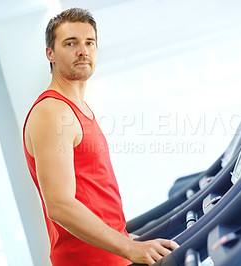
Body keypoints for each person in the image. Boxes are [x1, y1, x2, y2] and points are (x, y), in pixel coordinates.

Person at [23, 7, 179, 265]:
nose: (83, 50)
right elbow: (60, 204)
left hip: (110, 256)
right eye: (71, 43)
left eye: (89, 42)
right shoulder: (52, 112)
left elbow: (93, 192)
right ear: (50, 53)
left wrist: (125, 240)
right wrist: (128, 248)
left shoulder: (77, 108)